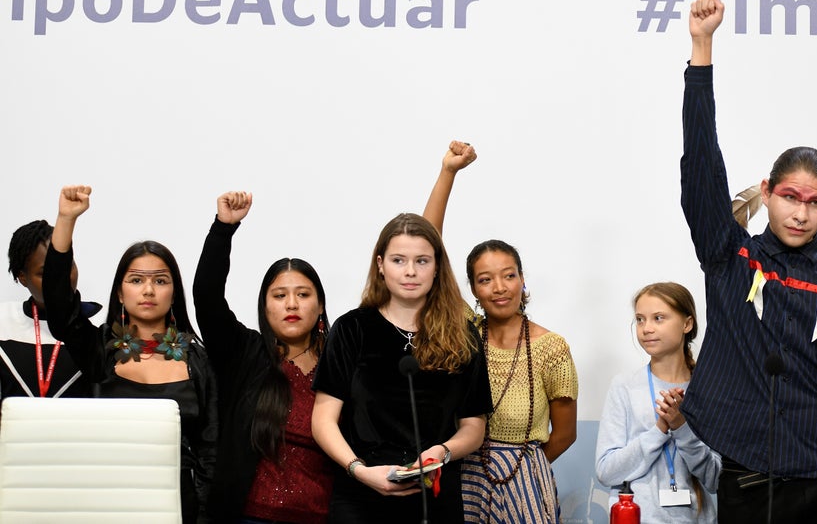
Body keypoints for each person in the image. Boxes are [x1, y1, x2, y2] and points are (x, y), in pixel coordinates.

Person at [680, 0, 817, 524]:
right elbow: (703, 170)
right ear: (768, 192)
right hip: (750, 478)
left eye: (814, 202)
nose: (800, 213)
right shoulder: (732, 256)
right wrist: (702, 52)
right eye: (790, 197)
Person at [43, 185, 218, 523]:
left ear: (174, 293)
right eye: (136, 280)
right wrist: (66, 219)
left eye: (160, 281)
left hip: (177, 504)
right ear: (120, 294)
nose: (149, 290)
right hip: (106, 498)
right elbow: (59, 307)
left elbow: (211, 453)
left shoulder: (198, 361)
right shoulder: (100, 352)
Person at [311, 211, 492, 523]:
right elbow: (324, 419)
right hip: (361, 496)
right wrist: (359, 470)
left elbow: (474, 427)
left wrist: (442, 452)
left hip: (435, 495)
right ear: (380, 265)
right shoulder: (352, 328)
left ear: (437, 268)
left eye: (422, 261)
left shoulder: (464, 334)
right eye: (398, 260)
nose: (410, 271)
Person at [193, 190, 335, 524]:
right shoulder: (245, 353)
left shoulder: (338, 361)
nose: (291, 304)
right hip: (249, 516)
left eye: (302, 294)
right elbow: (207, 297)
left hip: (322, 516)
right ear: (264, 305)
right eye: (279, 295)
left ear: (320, 307)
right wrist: (223, 230)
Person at [459, 239, 578, 523]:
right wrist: (445, 190)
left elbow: (565, 434)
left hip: (525, 483)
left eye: (509, 275)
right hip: (467, 480)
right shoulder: (466, 333)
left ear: (522, 280)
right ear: (474, 289)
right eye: (485, 280)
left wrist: (524, 469)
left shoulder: (551, 348)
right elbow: (430, 250)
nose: (499, 287)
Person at [596, 282, 721, 524]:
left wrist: (682, 428)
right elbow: (607, 471)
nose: (647, 328)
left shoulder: (709, 390)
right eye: (640, 320)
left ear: (687, 324)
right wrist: (660, 429)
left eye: (659, 318)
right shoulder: (624, 386)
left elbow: (716, 479)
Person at [1, 219, 102, 400]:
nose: (60, 279)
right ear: (22, 278)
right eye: (45, 273)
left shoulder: (101, 322)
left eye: (67, 266)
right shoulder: (4, 321)